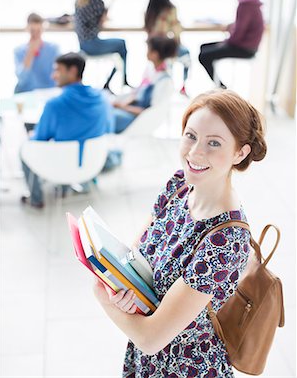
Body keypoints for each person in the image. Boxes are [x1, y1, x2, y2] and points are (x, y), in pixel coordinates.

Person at [93, 89, 267, 377]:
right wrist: (123, 294)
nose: (195, 152)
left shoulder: (225, 241)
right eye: (191, 135)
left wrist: (101, 295)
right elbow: (133, 258)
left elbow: (150, 338)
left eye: (214, 143)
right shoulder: (179, 186)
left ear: (240, 152)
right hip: (146, 361)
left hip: (186, 368)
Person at [21, 53, 114, 208]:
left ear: (72, 71)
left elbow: (39, 139)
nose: (53, 75)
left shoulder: (54, 105)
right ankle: (65, 189)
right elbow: (108, 128)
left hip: (61, 167)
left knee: (26, 146)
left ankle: (36, 199)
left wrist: (31, 136)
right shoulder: (102, 98)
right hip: (92, 163)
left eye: (58, 70)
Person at [199, 0, 264, 88]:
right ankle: (221, 87)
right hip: (247, 45)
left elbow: (239, 33)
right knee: (203, 48)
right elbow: (243, 25)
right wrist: (231, 27)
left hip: (244, 48)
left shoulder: (246, 3)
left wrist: (225, 43)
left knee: (203, 55)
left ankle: (222, 88)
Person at [75, 0, 129, 89]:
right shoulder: (96, 1)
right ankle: (121, 80)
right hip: (92, 44)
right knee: (122, 45)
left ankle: (111, 82)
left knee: (120, 47)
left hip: (82, 44)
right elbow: (102, 20)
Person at [112, 36, 177, 133]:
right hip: (131, 110)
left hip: (139, 120)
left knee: (104, 117)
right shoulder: (151, 71)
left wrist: (122, 107)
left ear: (155, 54)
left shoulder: (164, 82)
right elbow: (138, 93)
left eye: (148, 49)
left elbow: (151, 113)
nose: (146, 52)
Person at [144, 0, 191, 95]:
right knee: (186, 56)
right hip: (165, 46)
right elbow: (176, 31)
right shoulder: (170, 9)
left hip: (153, 47)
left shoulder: (150, 10)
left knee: (167, 63)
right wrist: (177, 43)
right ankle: (183, 87)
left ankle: (162, 85)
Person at [14, 13, 60, 93]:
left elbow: (58, 75)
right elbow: (22, 80)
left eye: (38, 31)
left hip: (48, 92)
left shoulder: (53, 49)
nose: (35, 34)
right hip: (27, 92)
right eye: (32, 31)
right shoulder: (19, 51)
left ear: (42, 29)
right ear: (27, 29)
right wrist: (30, 54)